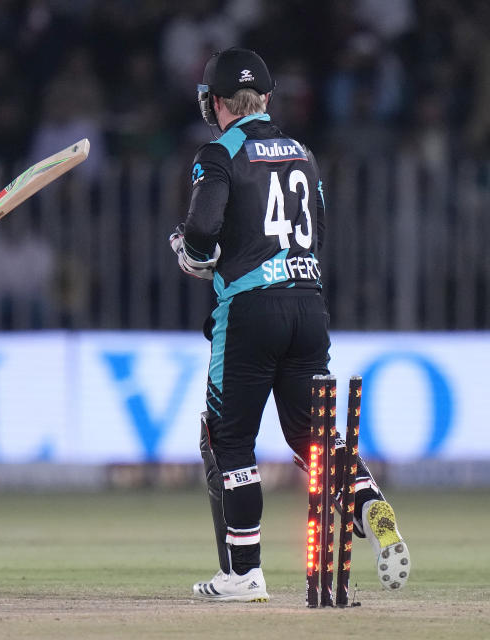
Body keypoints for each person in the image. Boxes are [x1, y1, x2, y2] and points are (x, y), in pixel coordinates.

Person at [170, 47, 410, 602]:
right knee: (314, 439)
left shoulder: (219, 153)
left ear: (216, 103)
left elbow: (203, 230)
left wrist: (192, 253)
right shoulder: (303, 152)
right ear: (268, 99)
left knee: (229, 438)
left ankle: (244, 574)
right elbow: (316, 234)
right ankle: (369, 503)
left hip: (250, 310)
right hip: (308, 304)